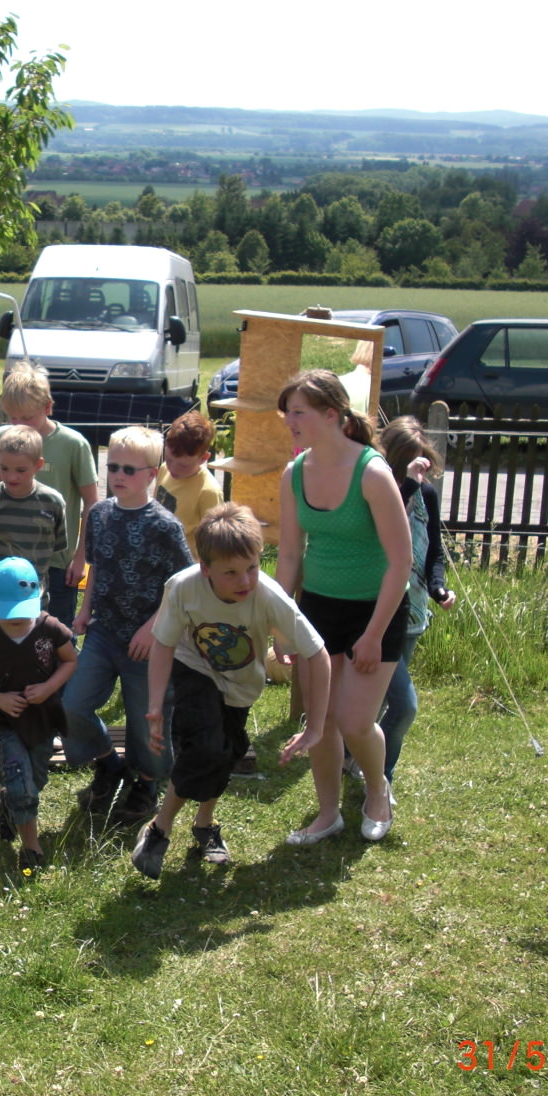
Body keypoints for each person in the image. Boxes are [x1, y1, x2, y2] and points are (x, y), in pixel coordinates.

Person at [133, 504, 330, 878]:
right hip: (193, 667)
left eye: (252, 568)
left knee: (227, 753)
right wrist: (155, 705)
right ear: (205, 569)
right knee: (206, 747)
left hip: (241, 684)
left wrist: (316, 726)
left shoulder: (269, 595)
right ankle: (159, 829)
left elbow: (317, 653)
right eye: (231, 572)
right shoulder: (183, 587)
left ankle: (204, 824)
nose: (245, 581)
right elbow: (163, 644)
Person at [274, 371, 412, 844]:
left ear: (331, 415)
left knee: (354, 721)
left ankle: (377, 790)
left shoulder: (372, 473)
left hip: (376, 612)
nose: (289, 421)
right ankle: (328, 813)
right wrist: (282, 622)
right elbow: (289, 556)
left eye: (298, 412)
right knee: (321, 721)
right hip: (318, 609)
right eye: (287, 412)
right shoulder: (294, 474)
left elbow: (401, 562)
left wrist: (372, 636)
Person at [63, 426, 193, 826]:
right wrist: (85, 610)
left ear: (151, 474)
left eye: (129, 470)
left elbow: (183, 586)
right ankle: (108, 762)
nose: (118, 475)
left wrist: (153, 628)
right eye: (113, 467)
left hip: (150, 642)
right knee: (72, 704)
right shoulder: (99, 514)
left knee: (147, 718)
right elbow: (97, 568)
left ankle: (147, 783)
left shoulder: (165, 526)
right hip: (103, 632)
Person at [0, 425, 67, 806]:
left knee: (35, 677)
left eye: (20, 469)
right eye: (4, 468)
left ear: (39, 465)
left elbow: (55, 552)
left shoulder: (52, 503)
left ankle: (27, 745)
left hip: (34, 610)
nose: (11, 477)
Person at [0, 558, 79, 872]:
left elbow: (70, 660)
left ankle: (10, 804)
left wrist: (48, 687)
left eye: (23, 613)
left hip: (44, 721)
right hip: (6, 725)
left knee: (34, 781)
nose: (17, 621)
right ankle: (31, 849)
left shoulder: (50, 627)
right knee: (24, 788)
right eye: (9, 614)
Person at [0, 363, 98, 624]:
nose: (18, 425)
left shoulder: (73, 444)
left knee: (53, 631)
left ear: (47, 407)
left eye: (27, 418)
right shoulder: (2, 438)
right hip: (8, 557)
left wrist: (80, 558)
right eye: (12, 418)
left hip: (55, 561)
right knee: (7, 628)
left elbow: (91, 502)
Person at [374, 417, 456, 788]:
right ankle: (381, 777)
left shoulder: (427, 494)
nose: (419, 469)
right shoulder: (380, 490)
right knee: (404, 706)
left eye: (422, 459)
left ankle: (353, 758)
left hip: (415, 611)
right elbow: (380, 531)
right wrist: (406, 483)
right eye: (410, 460)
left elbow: (433, 549)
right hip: (381, 612)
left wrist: (439, 588)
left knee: (379, 699)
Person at [155, 410, 224, 560]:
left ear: (203, 458)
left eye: (183, 465)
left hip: (187, 565)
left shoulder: (208, 491)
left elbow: (214, 544)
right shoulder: (164, 469)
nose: (173, 468)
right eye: (169, 459)